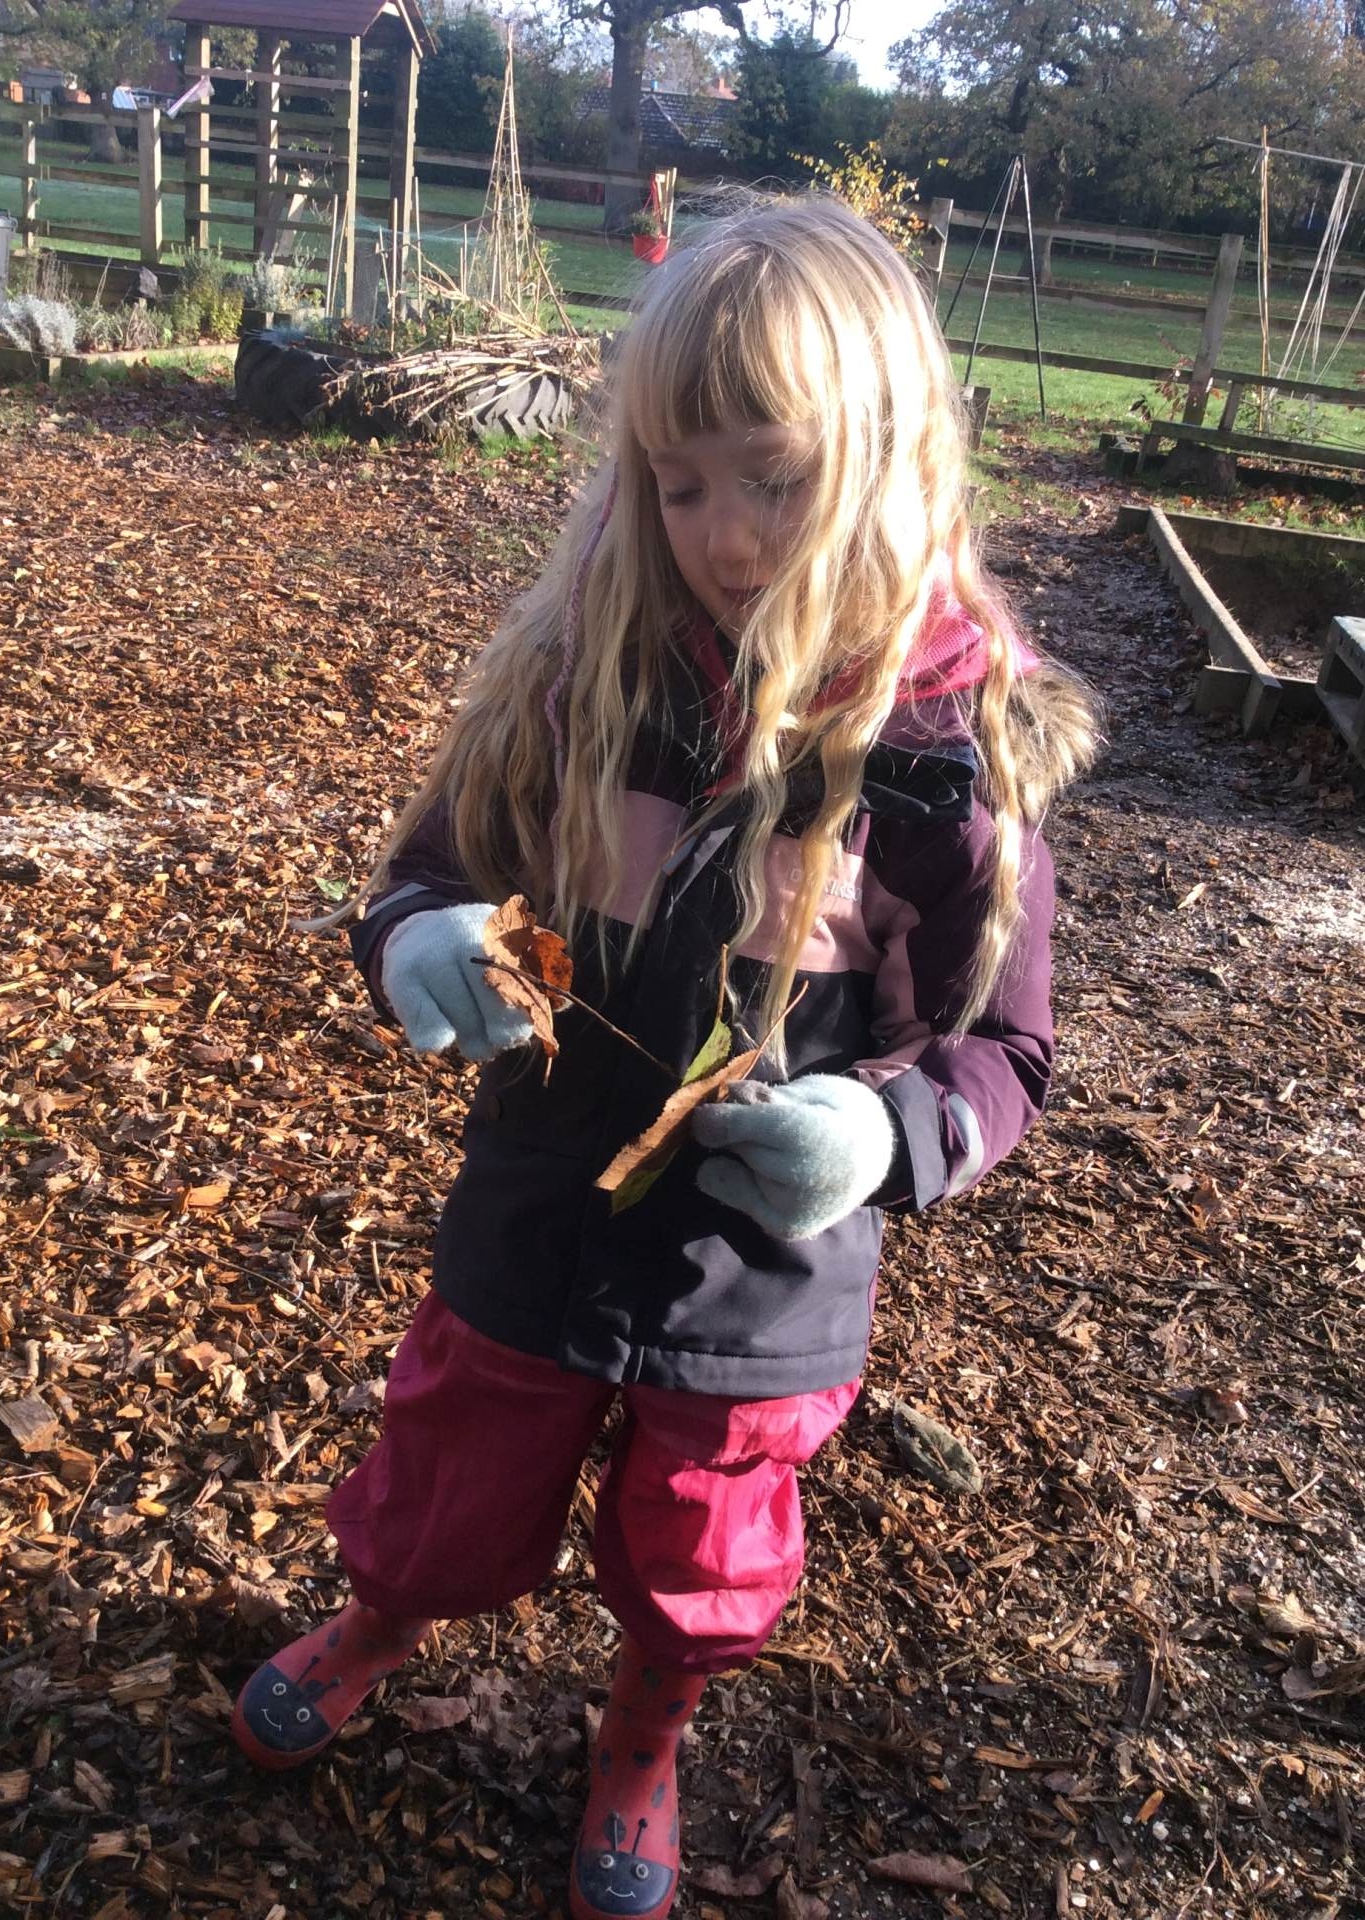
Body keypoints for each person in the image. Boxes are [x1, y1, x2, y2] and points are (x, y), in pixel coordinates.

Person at [230, 195, 1096, 1920]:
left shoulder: (943, 767)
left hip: (758, 1274)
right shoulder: (583, 680)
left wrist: (881, 1135)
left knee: (705, 1533)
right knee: (452, 1461)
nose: (723, 535)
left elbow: (1000, 1048)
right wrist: (421, 938)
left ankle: (645, 1726)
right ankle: (385, 1616)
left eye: (771, 478)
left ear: (888, 455)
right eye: (678, 483)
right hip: (537, 1205)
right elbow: (427, 871)